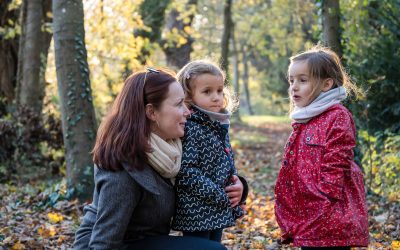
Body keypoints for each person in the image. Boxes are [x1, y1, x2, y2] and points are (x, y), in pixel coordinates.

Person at [73, 68, 246, 249]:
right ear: (152, 113)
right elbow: (104, 242)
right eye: (179, 104)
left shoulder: (171, 148)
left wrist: (239, 186)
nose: (188, 111)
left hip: (147, 241)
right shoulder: (124, 169)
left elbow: (209, 166)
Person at [274, 46, 369, 249]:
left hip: (329, 211)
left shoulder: (337, 116)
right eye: (291, 81)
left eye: (303, 80)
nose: (294, 87)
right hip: (308, 210)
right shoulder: (306, 117)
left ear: (326, 84)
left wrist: (325, 197)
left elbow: (337, 160)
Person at [171, 60, 246, 242]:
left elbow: (225, 160)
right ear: (189, 96)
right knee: (202, 245)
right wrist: (218, 193)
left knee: (215, 243)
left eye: (219, 90)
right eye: (207, 91)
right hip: (197, 210)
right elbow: (186, 171)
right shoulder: (191, 127)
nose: (216, 97)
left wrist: (237, 187)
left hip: (216, 206)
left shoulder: (216, 124)